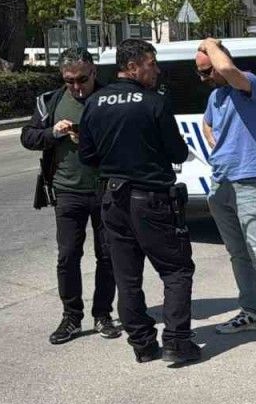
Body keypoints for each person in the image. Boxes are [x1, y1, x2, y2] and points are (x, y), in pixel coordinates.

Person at [78, 39, 200, 366]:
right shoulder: (153, 102)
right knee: (176, 269)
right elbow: (177, 152)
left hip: (112, 199)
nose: (156, 70)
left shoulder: (94, 102)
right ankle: (176, 342)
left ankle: (143, 345)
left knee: (127, 276)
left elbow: (87, 156)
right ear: (132, 67)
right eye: (151, 64)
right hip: (152, 199)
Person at [196, 39, 256, 349]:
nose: (204, 77)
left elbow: (226, 68)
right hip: (221, 182)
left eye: (207, 70)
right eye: (199, 73)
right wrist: (214, 142)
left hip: (249, 181)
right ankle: (252, 311)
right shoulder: (216, 96)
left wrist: (209, 43)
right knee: (237, 253)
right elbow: (206, 123)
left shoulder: (251, 85)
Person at [20, 48, 120, 345]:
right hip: (67, 192)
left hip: (105, 190)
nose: (76, 86)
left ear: (94, 72)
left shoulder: (110, 98)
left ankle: (103, 314)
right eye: (69, 80)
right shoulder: (50, 101)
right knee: (67, 257)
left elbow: (126, 138)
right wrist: (53, 133)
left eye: (82, 79)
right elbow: (28, 137)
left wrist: (92, 138)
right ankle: (71, 317)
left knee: (108, 256)